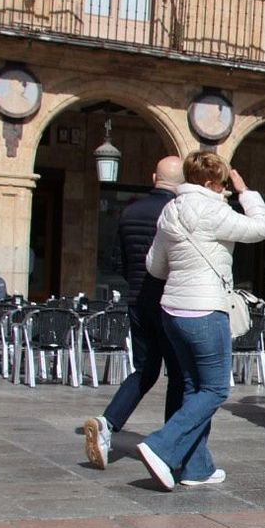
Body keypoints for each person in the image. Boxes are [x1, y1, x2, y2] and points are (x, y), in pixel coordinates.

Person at [134, 151, 265, 490]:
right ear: (211, 183)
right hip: (206, 310)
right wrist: (245, 192)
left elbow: (155, 266)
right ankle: (161, 445)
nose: (225, 189)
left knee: (195, 387)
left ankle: (197, 468)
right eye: (223, 184)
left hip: (173, 310)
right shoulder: (214, 209)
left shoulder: (171, 209)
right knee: (215, 388)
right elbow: (261, 228)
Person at [83, 156, 185, 467]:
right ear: (182, 183)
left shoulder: (130, 211)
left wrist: (137, 282)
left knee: (144, 369)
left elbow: (117, 260)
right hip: (169, 301)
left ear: (154, 177)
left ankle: (108, 422)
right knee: (178, 373)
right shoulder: (177, 211)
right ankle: (169, 445)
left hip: (138, 299)